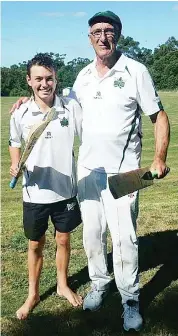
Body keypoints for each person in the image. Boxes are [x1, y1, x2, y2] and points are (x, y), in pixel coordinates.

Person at [10, 11, 170, 332]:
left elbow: (159, 116)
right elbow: (54, 99)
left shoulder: (135, 71)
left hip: (124, 174)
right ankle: (99, 283)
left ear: (118, 35)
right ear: (89, 38)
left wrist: (159, 159)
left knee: (124, 239)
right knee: (92, 236)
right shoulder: (82, 76)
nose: (102, 37)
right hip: (86, 175)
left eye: (108, 31)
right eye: (96, 31)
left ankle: (130, 300)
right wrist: (25, 101)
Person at [9, 53, 83, 320]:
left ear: (56, 79)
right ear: (29, 81)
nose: (44, 84)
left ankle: (62, 285)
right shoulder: (20, 112)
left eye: (49, 78)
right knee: (35, 244)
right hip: (34, 192)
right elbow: (14, 142)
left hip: (66, 190)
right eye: (38, 78)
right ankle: (33, 293)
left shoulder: (71, 107)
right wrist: (15, 162)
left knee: (63, 239)